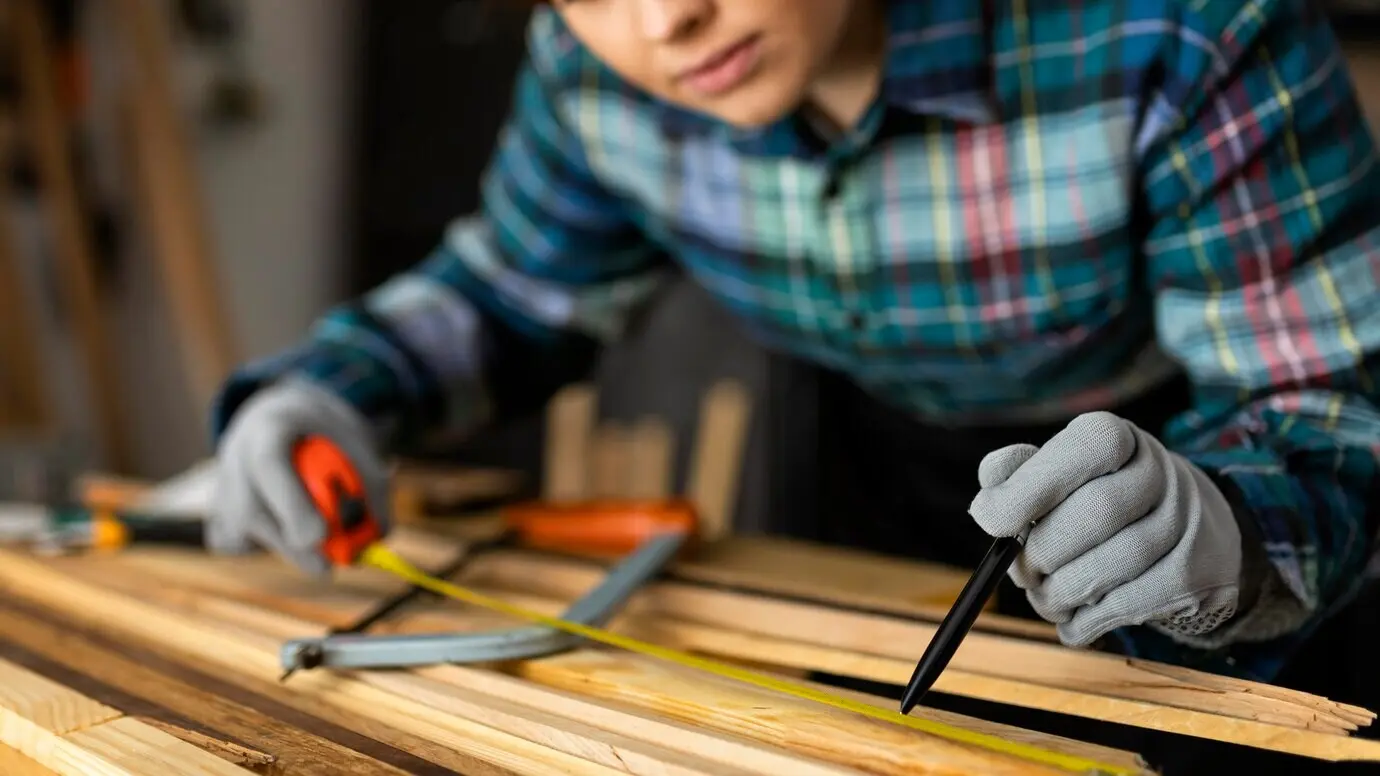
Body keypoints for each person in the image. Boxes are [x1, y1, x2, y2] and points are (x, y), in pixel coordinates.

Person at [208, 0, 1380, 699]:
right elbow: (512, 291)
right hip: (879, 495)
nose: (664, 24)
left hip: (1184, 484)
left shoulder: (1183, 33)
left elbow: (1322, 407)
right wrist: (329, 392)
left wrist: (1230, 529)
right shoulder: (590, 72)